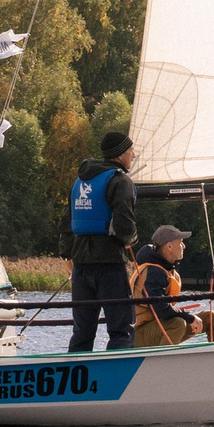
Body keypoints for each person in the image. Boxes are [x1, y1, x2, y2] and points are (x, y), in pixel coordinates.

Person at [67, 131, 139, 352]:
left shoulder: (80, 181)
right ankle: (118, 378)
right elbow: (124, 224)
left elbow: (66, 221)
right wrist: (131, 240)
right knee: (121, 329)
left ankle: (75, 374)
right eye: (130, 151)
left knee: (82, 331)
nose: (133, 155)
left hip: (81, 266)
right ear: (119, 155)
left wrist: (66, 255)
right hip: (109, 264)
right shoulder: (120, 181)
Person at [128, 225, 214, 347]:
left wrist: (187, 317)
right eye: (181, 242)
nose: (184, 246)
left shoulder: (165, 270)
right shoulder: (154, 272)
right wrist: (188, 317)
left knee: (211, 317)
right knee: (177, 323)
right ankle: (163, 363)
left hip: (158, 327)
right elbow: (160, 308)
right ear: (169, 246)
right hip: (139, 333)